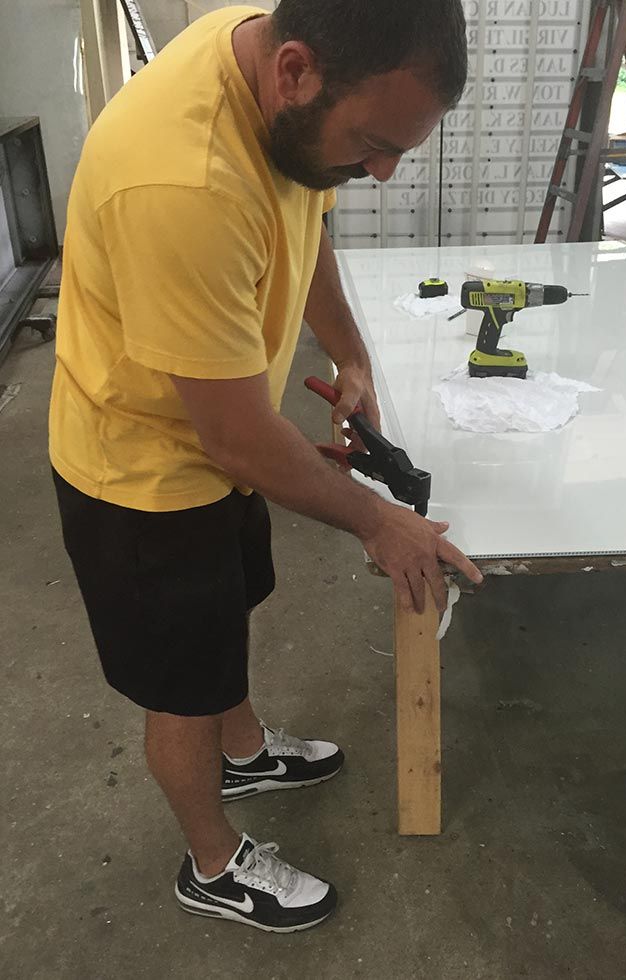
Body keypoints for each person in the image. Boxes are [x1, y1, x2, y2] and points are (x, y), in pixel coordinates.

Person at [49, 0, 479, 934]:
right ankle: (211, 861)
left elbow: (307, 217)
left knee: (225, 614)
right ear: (294, 72)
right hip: (142, 473)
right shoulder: (182, 182)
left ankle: (242, 750)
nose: (381, 170)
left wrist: (351, 356)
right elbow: (239, 439)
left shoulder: (280, 81)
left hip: (211, 443)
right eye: (371, 141)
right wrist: (379, 518)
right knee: (182, 687)